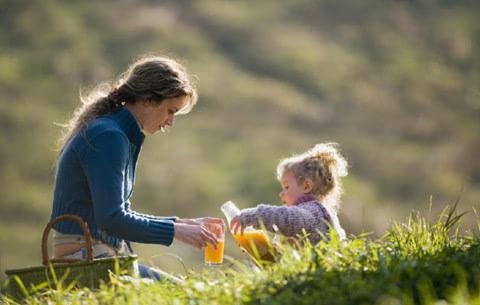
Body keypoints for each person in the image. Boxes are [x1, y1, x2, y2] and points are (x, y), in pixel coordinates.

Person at [50, 55, 224, 281]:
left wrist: (181, 224)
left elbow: (116, 215)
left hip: (98, 255)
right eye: (170, 111)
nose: (170, 122)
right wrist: (177, 231)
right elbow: (112, 219)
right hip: (86, 259)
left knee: (183, 290)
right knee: (185, 293)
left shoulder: (114, 133)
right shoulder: (108, 136)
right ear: (148, 100)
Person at [231, 143, 348, 245]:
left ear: (306, 186)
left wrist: (250, 216)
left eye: (286, 187)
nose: (281, 194)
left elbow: (285, 218)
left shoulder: (313, 212)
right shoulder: (320, 213)